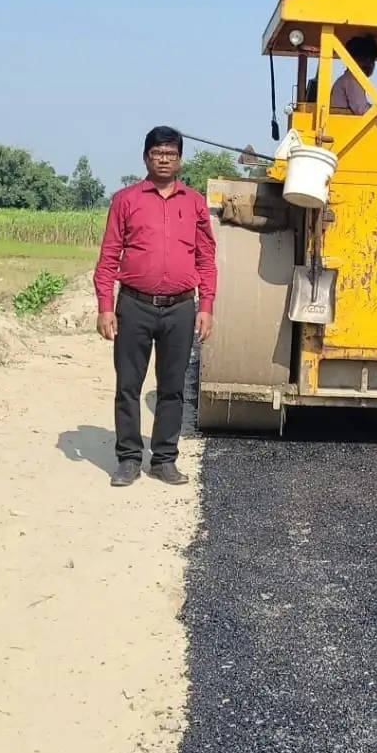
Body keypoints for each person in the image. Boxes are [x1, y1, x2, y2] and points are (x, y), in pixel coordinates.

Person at [92, 126, 216, 487]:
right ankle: (128, 459)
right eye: (158, 153)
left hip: (180, 309)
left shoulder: (193, 202)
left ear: (179, 159)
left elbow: (206, 258)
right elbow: (108, 256)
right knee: (129, 385)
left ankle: (164, 460)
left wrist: (205, 305)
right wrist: (105, 306)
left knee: (173, 387)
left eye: (171, 153)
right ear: (146, 156)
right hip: (134, 305)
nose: (164, 159)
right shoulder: (125, 200)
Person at [330, 34, 377, 114]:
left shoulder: (347, 79)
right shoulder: (352, 79)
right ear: (351, 59)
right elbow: (364, 111)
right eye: (364, 58)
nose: (369, 64)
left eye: (372, 60)